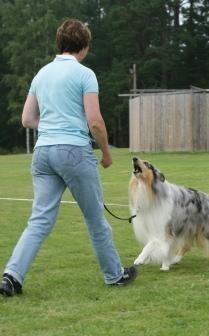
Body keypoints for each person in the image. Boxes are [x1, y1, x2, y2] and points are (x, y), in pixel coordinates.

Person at [0, 19, 137, 297]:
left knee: (39, 220)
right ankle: (114, 275)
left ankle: (11, 276)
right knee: (95, 218)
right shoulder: (85, 74)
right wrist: (107, 154)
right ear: (84, 46)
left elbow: (27, 119)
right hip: (74, 151)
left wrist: (51, 125)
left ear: (59, 43)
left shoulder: (41, 74)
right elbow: (95, 122)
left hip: (42, 153)